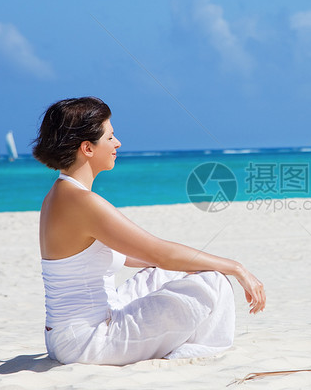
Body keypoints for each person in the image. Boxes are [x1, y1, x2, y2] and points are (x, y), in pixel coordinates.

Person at [32, 97, 265, 365]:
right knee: (214, 282)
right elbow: (158, 251)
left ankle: (180, 340)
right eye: (110, 137)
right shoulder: (81, 202)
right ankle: (192, 350)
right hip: (86, 341)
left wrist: (186, 267)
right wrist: (236, 268)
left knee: (176, 271)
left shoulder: (60, 194)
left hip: (70, 335)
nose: (117, 143)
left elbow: (137, 257)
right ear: (87, 148)